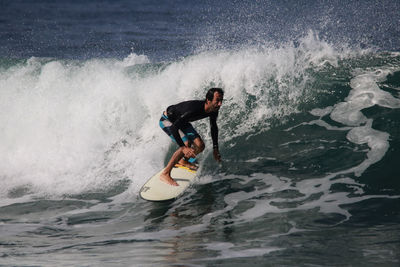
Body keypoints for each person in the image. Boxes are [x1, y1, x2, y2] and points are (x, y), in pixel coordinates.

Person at [159, 88, 224, 186]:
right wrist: (183, 147)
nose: (220, 104)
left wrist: (215, 148)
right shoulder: (193, 109)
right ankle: (165, 174)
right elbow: (173, 128)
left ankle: (183, 160)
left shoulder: (214, 109)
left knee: (200, 145)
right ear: (208, 100)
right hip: (167, 120)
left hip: (181, 121)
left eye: (221, 100)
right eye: (217, 101)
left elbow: (213, 127)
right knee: (186, 144)